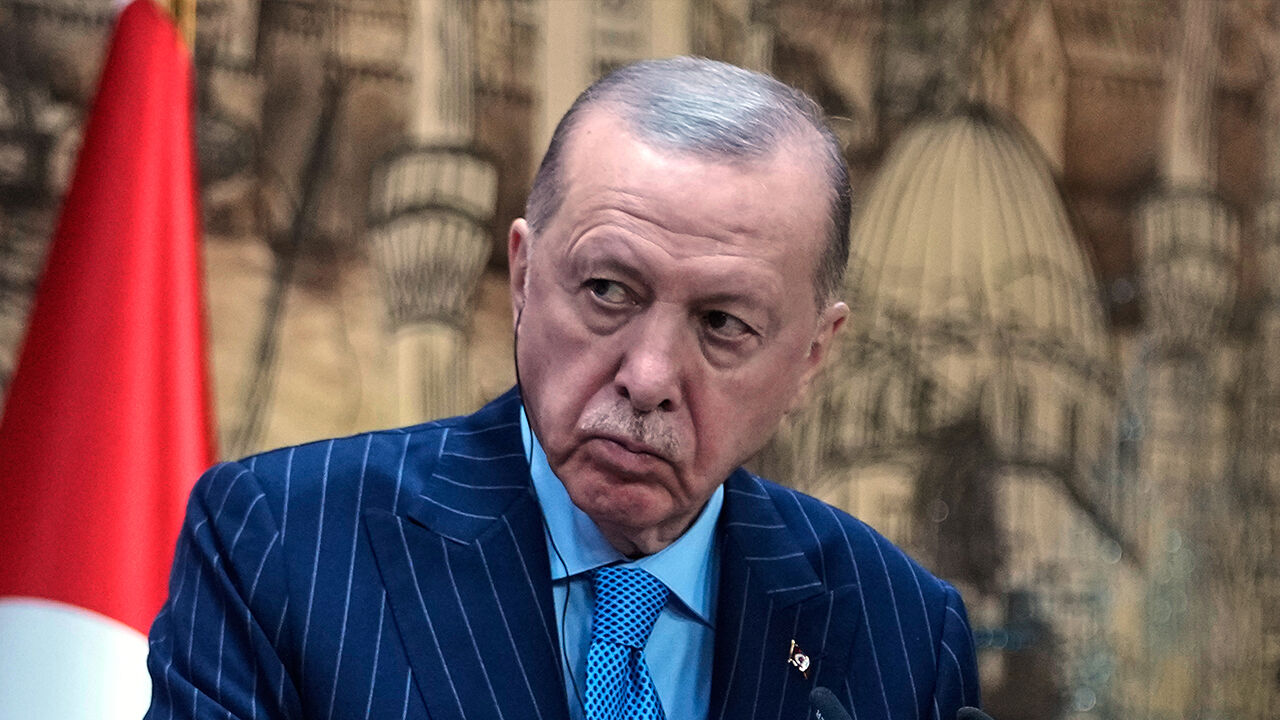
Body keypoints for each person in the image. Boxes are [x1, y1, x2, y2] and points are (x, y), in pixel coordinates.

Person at [145, 57, 980, 720]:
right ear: (523, 275)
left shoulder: (899, 631)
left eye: (723, 323)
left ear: (811, 358)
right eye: (608, 291)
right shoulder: (283, 545)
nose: (647, 378)